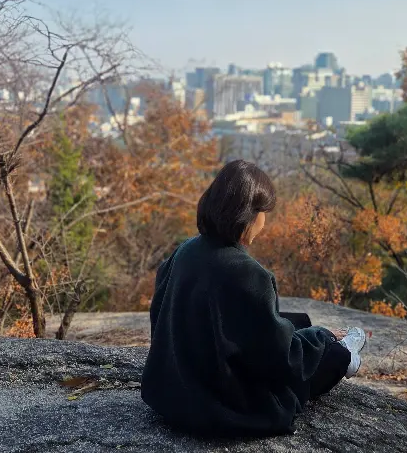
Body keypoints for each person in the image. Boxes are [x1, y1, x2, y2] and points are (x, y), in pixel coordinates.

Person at [141, 160, 367, 437]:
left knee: (294, 323)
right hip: (222, 406)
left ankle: (325, 339)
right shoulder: (248, 274)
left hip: (172, 394)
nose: (265, 222)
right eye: (263, 212)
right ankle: (343, 354)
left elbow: (166, 318)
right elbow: (281, 361)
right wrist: (320, 337)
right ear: (248, 214)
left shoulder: (184, 251)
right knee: (318, 352)